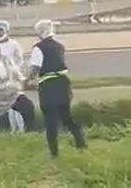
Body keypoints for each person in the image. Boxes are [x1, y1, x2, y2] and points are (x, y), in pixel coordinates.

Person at [29, 19, 86, 158]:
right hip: (63, 84)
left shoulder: (38, 48)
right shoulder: (60, 46)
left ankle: (54, 153)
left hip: (48, 87)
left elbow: (35, 69)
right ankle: (80, 142)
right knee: (66, 117)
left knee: (50, 120)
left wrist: (27, 79)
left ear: (39, 32)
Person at [0, 41, 35, 134]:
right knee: (3, 127)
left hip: (12, 94)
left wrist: (23, 80)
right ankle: (6, 137)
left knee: (27, 106)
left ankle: (27, 130)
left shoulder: (5, 59)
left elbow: (15, 72)